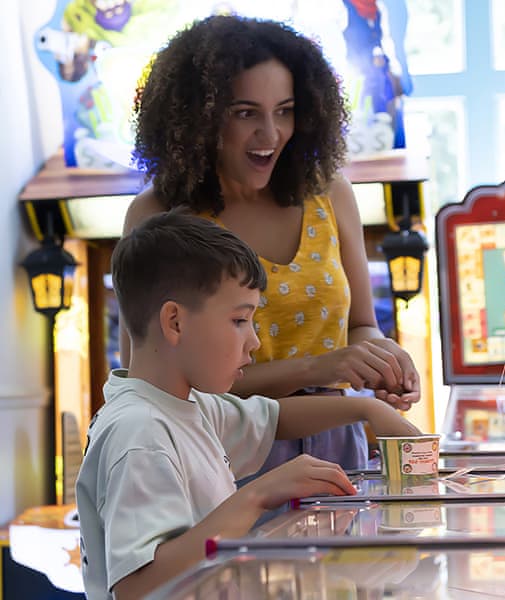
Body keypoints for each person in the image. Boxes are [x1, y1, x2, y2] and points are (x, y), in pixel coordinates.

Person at [123, 14, 421, 472]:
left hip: (339, 450)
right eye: (246, 113)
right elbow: (148, 381)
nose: (271, 133)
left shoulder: (330, 193)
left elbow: (362, 324)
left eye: (285, 110)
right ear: (196, 118)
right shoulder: (158, 216)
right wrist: (322, 369)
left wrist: (382, 359)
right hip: (221, 456)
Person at [77, 211, 420, 600]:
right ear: (174, 322)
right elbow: (139, 586)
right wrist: (258, 495)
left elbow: (275, 419)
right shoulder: (139, 433)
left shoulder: (190, 407)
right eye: (240, 320)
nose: (254, 342)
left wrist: (370, 411)